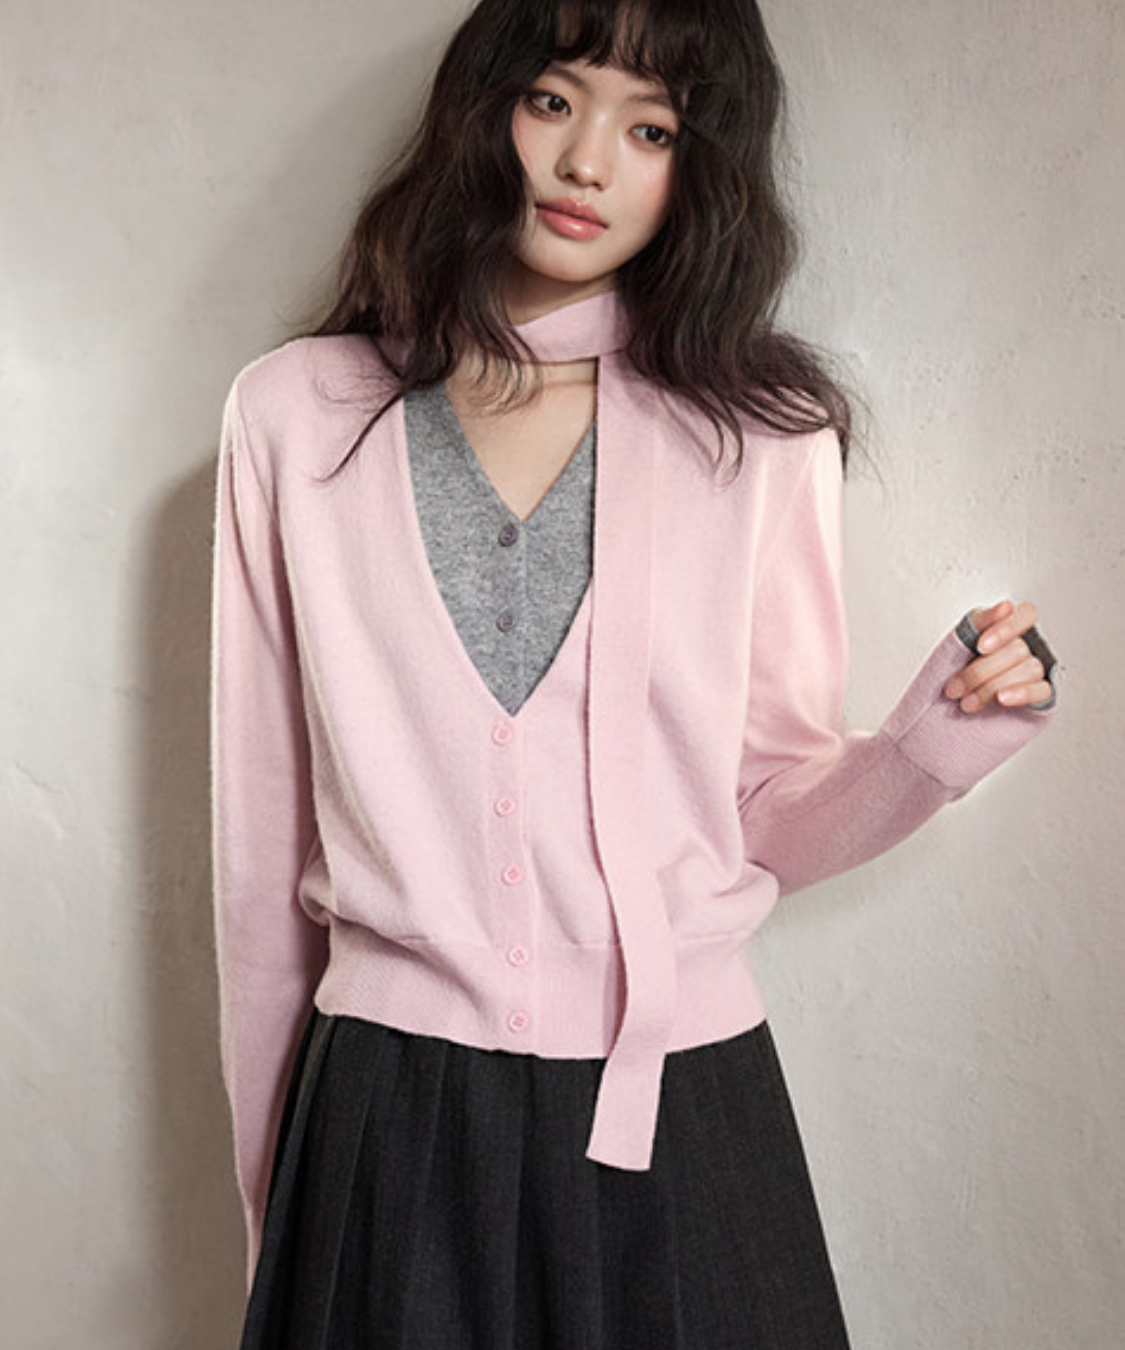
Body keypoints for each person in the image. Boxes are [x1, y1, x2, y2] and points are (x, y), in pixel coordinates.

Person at [211, 1, 1058, 1346]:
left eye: (650, 128)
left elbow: (765, 809)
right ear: (484, 110)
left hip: (680, 1108)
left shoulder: (759, 437)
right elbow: (261, 870)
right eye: (553, 99)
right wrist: (279, 1217)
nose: (586, 161)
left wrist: (926, 750)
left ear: (699, 165)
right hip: (385, 1115)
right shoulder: (296, 416)